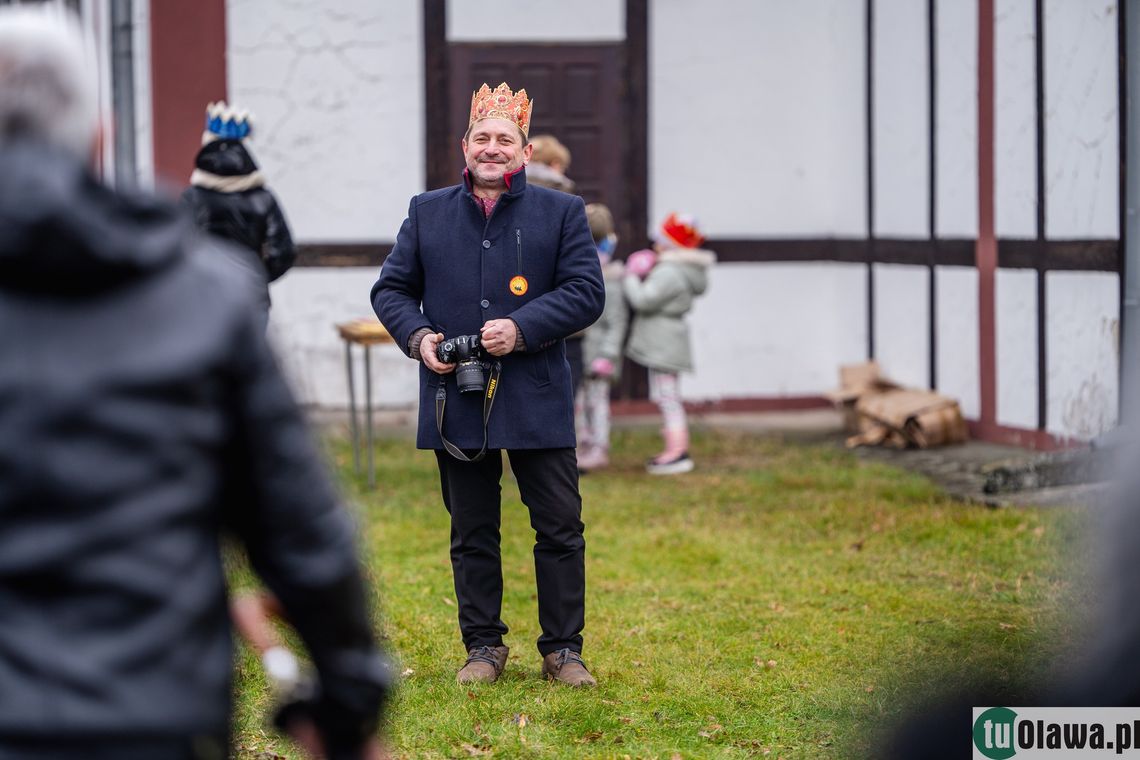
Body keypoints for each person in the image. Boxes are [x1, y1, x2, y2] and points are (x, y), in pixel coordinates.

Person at [0, 8, 389, 758]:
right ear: (99, 136)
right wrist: (348, 701)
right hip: (149, 719)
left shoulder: (207, 292)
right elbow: (302, 533)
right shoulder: (204, 299)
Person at [371, 82, 604, 687]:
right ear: (464, 147)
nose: (493, 148)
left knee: (559, 525)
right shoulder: (427, 212)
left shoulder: (562, 212)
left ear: (524, 152)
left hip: (536, 393)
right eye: (483, 138)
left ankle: (563, 651)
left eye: (506, 139)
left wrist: (522, 329)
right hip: (457, 395)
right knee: (472, 529)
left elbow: (586, 293)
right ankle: (483, 648)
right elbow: (391, 291)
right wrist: (421, 340)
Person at [181, 101, 296, 322]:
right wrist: (257, 276)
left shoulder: (192, 199)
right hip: (250, 298)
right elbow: (283, 252)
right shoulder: (263, 198)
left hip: (204, 298)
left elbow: (177, 247)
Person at [623, 212, 716, 475]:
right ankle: (674, 450)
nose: (656, 245)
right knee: (669, 397)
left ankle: (677, 453)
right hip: (670, 338)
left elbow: (643, 300)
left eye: (662, 240)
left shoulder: (670, 272)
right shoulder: (683, 270)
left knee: (668, 399)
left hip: (663, 340)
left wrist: (631, 275)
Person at [575, 203, 628, 473]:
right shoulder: (577, 273)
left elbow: (616, 322)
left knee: (598, 402)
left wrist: (607, 355)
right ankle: (581, 445)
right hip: (578, 355)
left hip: (599, 358)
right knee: (578, 402)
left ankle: (599, 446)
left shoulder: (613, 279)